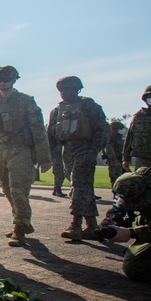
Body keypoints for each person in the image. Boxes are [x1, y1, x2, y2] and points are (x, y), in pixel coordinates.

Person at [0, 65, 52, 247]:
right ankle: (22, 220)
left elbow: (38, 129)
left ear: (14, 80)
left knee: (18, 188)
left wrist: (44, 157)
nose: (3, 83)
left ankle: (20, 227)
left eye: (6, 79)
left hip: (21, 148)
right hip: (1, 149)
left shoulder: (25, 101)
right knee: (6, 187)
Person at [46, 76, 108, 240]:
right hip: (68, 151)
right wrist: (51, 157)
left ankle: (76, 225)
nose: (66, 93)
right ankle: (92, 225)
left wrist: (93, 152)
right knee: (83, 188)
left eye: (70, 90)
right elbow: (51, 136)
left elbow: (102, 130)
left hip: (85, 149)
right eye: (62, 90)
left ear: (78, 90)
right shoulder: (57, 111)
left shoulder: (89, 106)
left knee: (78, 186)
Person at [104, 120, 126, 188]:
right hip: (114, 162)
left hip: (120, 161)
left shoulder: (119, 138)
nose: (121, 130)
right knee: (116, 179)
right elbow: (110, 151)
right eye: (120, 129)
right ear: (114, 129)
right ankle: (116, 195)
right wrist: (115, 162)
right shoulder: (111, 138)